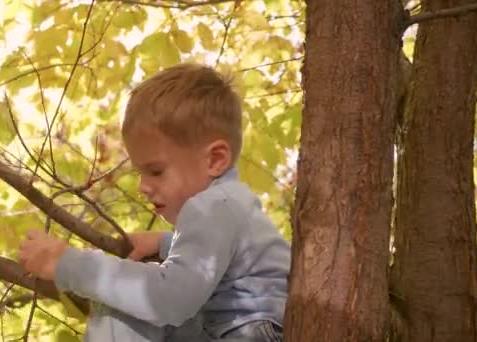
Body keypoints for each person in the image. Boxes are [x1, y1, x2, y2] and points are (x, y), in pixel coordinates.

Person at [17, 63, 290, 341]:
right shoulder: (231, 204)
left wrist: (69, 265)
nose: (142, 186)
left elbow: (168, 299)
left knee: (124, 306)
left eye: (156, 171)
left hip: (247, 334)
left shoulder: (212, 205)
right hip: (241, 330)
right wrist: (165, 242)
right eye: (140, 172)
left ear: (215, 159)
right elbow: (233, 260)